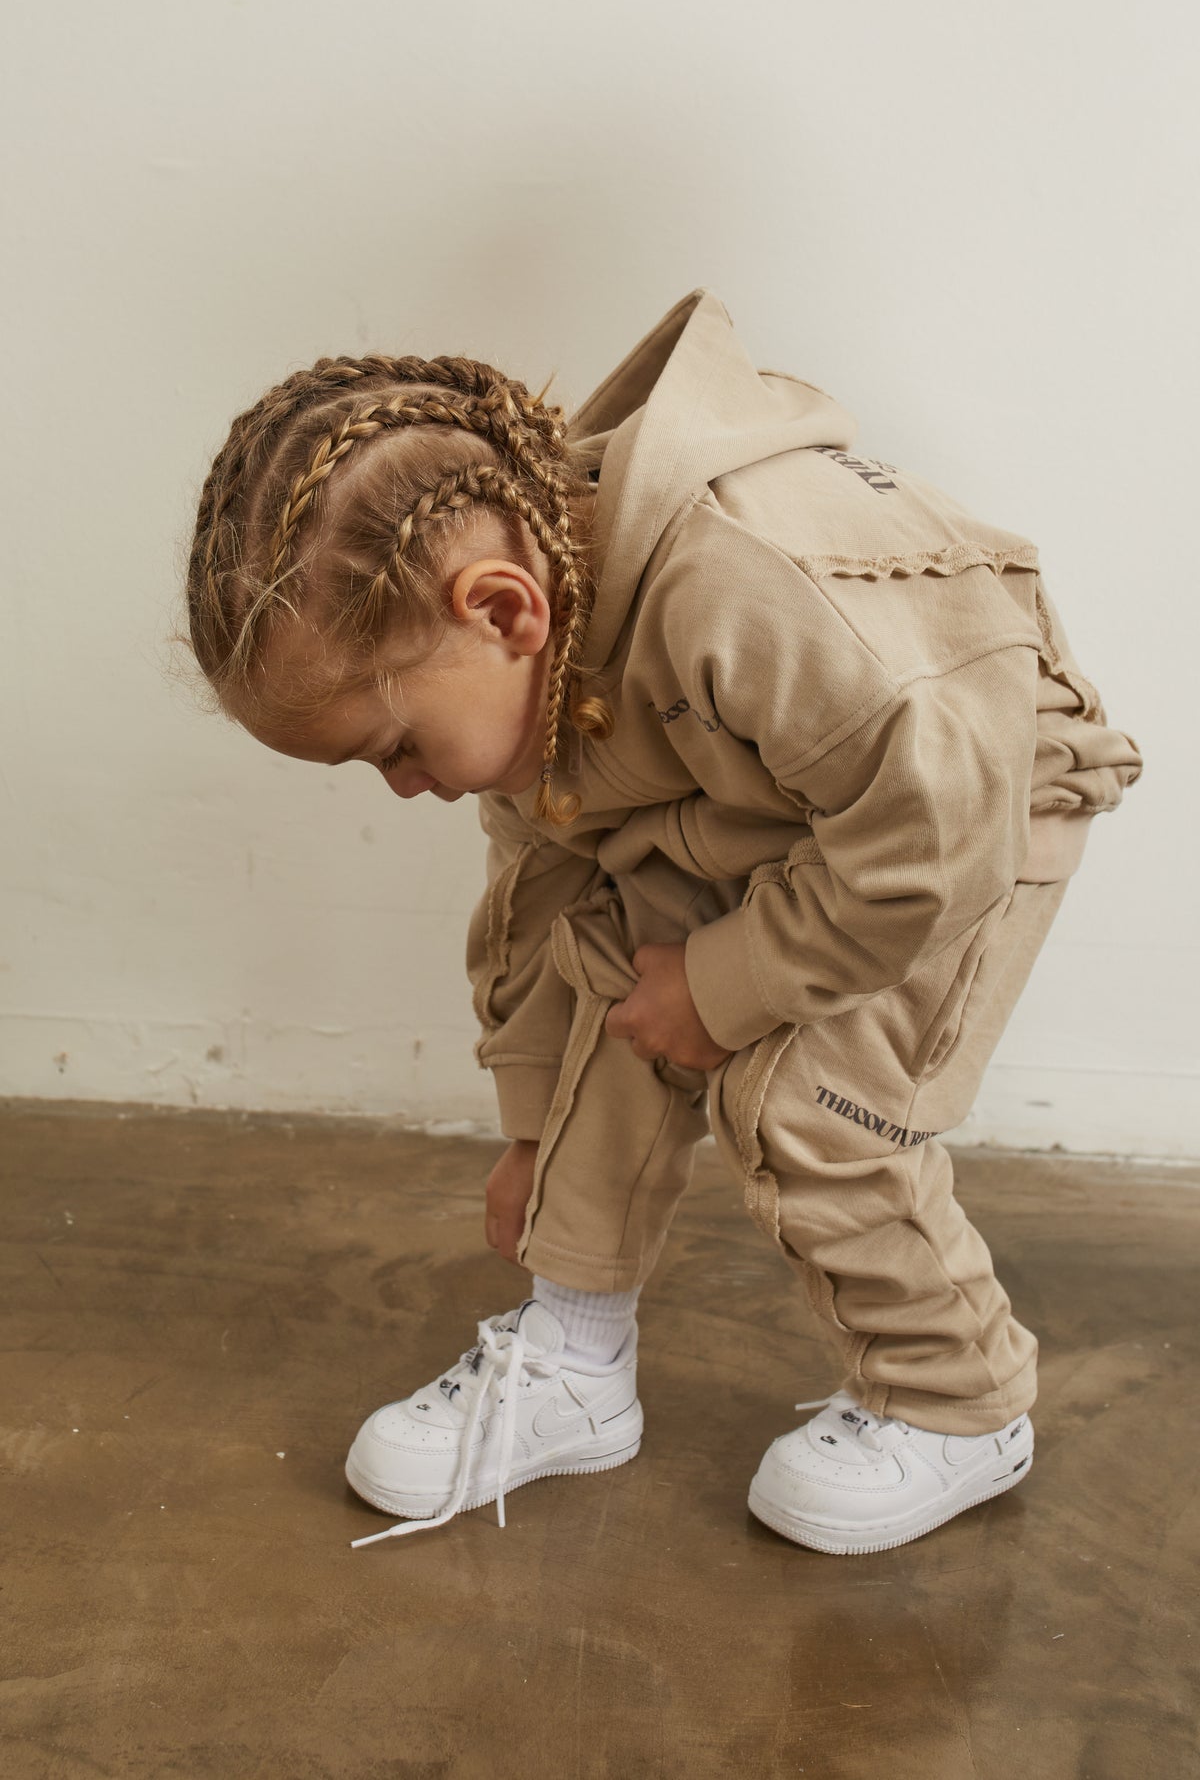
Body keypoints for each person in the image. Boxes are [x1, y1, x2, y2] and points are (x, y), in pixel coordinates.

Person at [185, 287, 1142, 1555]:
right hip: (760, 795)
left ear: (502, 611)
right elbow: (536, 899)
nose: (406, 786)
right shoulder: (534, 656)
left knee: (807, 1100)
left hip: (970, 813)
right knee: (619, 980)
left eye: (395, 749)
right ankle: (576, 1369)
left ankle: (958, 1402)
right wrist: (533, 1135)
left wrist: (728, 983)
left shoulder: (743, 589)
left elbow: (928, 836)